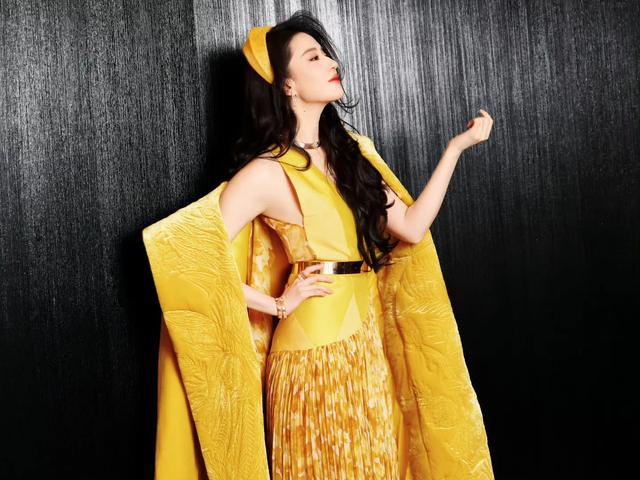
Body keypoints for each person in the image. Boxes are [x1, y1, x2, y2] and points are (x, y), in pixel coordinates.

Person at [143, 9, 494, 480]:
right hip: (311, 358)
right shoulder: (266, 171)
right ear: (287, 85)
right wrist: (275, 303)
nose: (331, 62)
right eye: (313, 57)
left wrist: (454, 150)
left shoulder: (351, 155)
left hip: (369, 348)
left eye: (327, 53)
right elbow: (186, 257)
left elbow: (411, 227)